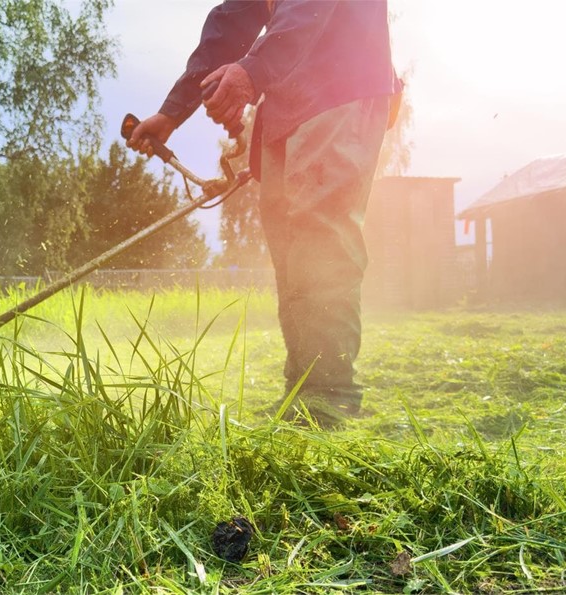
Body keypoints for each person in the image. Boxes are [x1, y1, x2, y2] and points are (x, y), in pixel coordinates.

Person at [126, 0, 401, 428]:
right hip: (287, 98)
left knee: (319, 239)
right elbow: (233, 17)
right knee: (288, 249)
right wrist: (173, 111)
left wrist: (254, 70)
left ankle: (329, 398)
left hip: (341, 83)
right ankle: (302, 392)